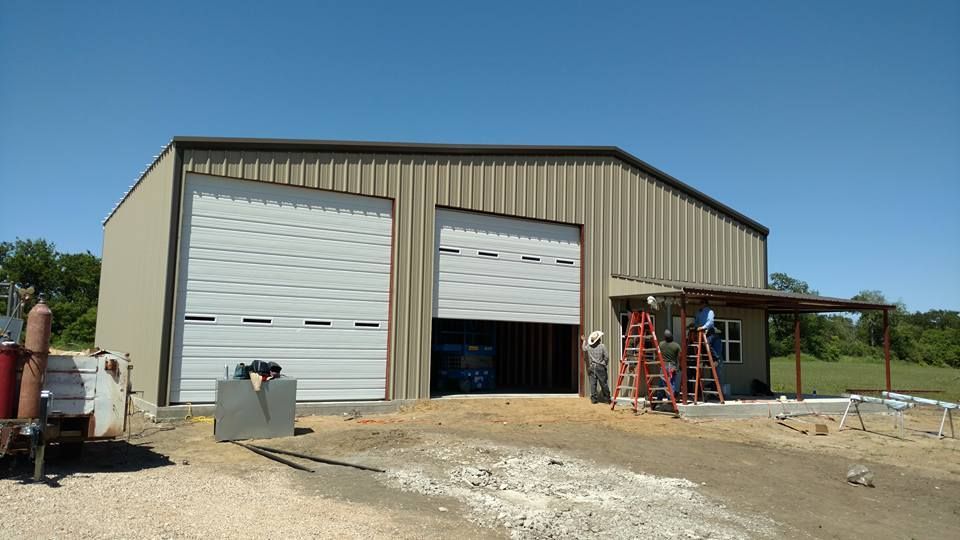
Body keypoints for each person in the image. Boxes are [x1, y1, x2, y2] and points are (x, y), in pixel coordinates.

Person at [695, 301, 724, 386]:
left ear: (705, 304)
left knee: (706, 344)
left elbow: (710, 322)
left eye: (701, 304)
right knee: (702, 346)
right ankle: (706, 361)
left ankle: (715, 358)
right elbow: (696, 321)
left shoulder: (710, 311)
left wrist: (703, 327)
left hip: (708, 331)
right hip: (701, 331)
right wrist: (697, 327)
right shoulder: (698, 313)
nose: (699, 305)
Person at [581, 330, 611, 404]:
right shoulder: (602, 346)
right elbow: (606, 357)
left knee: (593, 384)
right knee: (603, 383)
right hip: (600, 367)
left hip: (592, 367)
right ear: (598, 339)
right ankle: (607, 399)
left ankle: (594, 399)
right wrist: (604, 363)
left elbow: (583, 348)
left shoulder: (589, 346)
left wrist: (584, 340)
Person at [657, 329, 681, 400]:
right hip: (672, 367)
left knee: (661, 383)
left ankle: (659, 398)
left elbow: (658, 354)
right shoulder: (676, 345)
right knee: (671, 383)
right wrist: (679, 365)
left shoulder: (661, 344)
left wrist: (659, 363)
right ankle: (671, 399)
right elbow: (680, 356)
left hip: (663, 366)